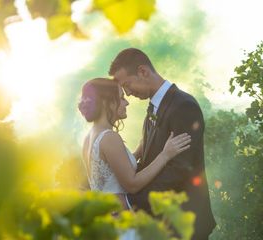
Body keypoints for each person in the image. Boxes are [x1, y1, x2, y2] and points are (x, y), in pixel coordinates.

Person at [109, 48, 216, 240]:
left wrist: (131, 201)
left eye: (127, 84)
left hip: (184, 222)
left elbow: (179, 169)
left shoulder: (183, 105)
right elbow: (150, 160)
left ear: (143, 71)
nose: (127, 93)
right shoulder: (153, 107)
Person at [78, 78, 191, 210]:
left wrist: (137, 152)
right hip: (120, 216)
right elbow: (132, 185)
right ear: (108, 103)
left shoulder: (89, 137)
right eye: (121, 98)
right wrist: (165, 155)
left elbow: (112, 172)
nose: (126, 103)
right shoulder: (109, 138)